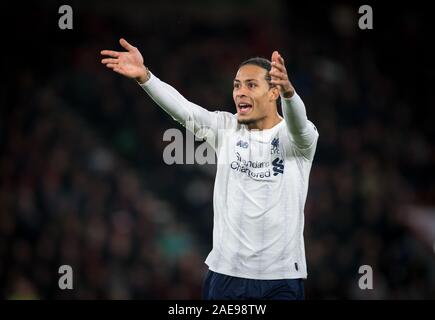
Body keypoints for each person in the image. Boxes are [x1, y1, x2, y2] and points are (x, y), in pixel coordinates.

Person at [101, 38, 319, 300]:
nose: (240, 92)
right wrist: (146, 77)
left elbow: (299, 123)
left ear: (273, 93)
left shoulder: (298, 140)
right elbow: (184, 112)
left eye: (251, 85)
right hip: (227, 276)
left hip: (281, 279)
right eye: (237, 85)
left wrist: (289, 93)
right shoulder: (226, 128)